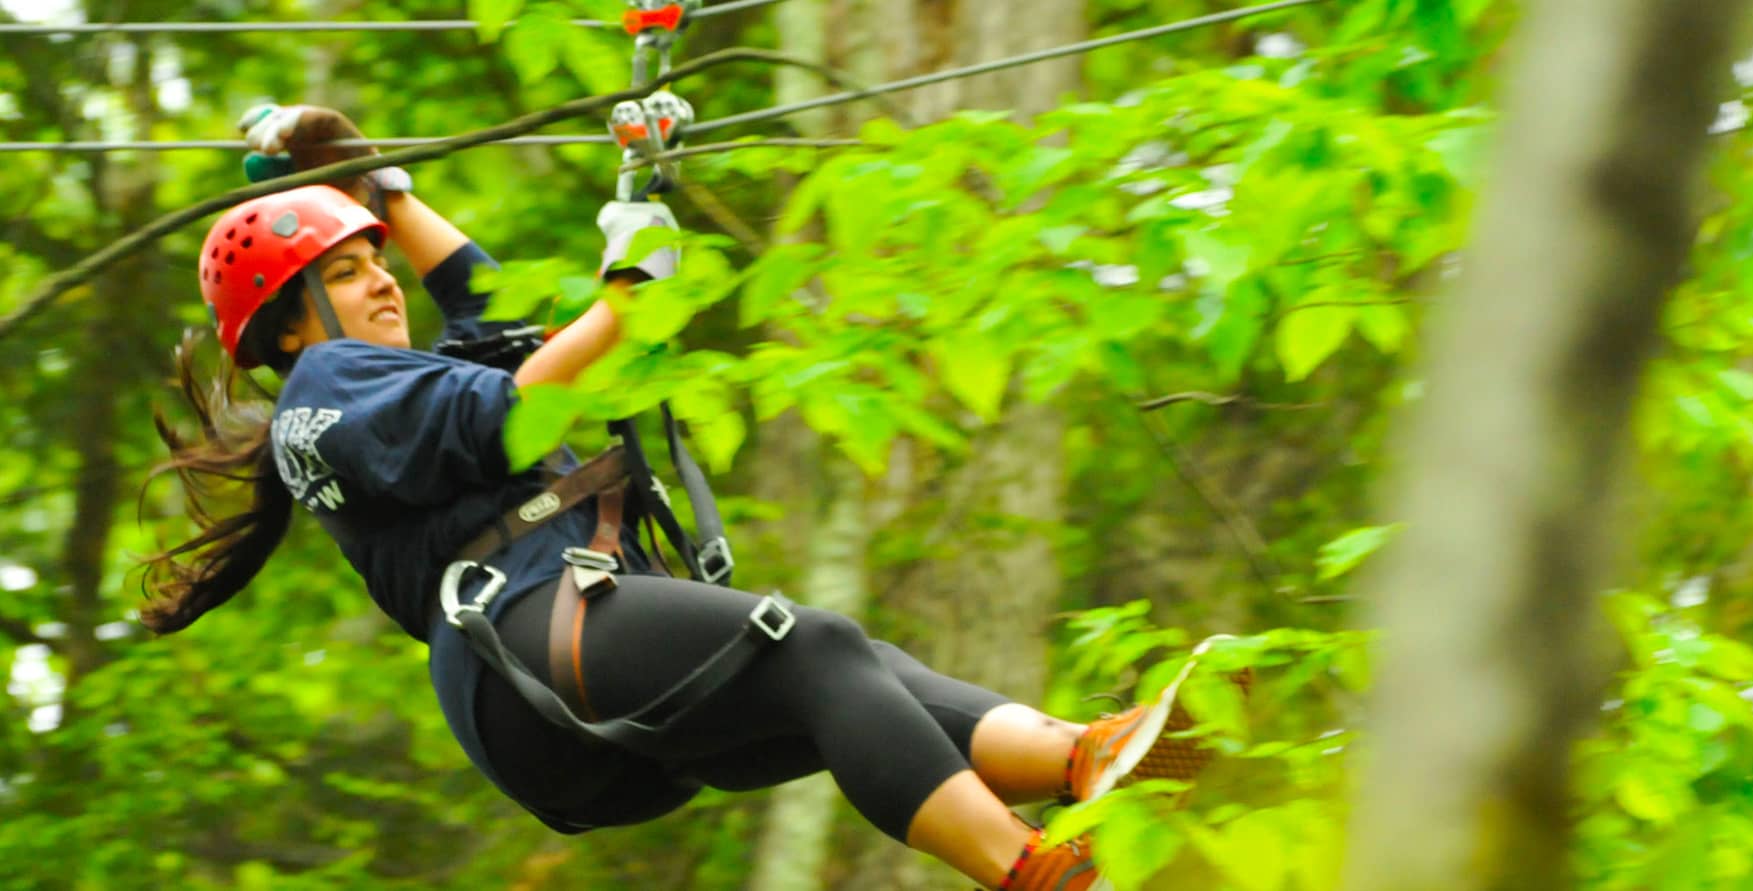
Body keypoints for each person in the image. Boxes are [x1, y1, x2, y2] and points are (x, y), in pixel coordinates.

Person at [140, 106, 1230, 891]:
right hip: (522, 635)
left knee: (851, 678)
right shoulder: (329, 392)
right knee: (813, 648)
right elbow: (515, 403)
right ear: (285, 325)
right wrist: (630, 293)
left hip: (546, 670)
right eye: (344, 272)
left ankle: (1079, 758)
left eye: (377, 262)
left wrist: (386, 195)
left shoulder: (384, 380)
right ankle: (1028, 870)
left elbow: (486, 304)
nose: (381, 279)